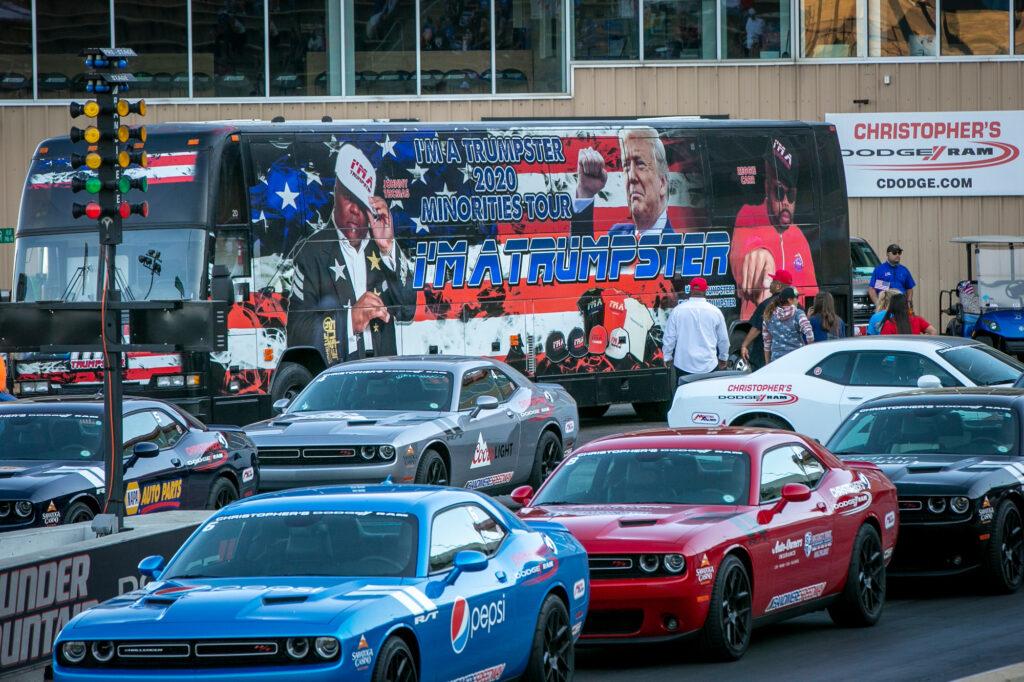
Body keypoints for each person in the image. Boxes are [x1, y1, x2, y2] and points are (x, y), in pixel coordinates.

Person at [288, 144, 417, 364]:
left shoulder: (381, 247)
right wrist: (349, 321)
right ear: (335, 191)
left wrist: (388, 248)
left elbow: (407, 310)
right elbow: (297, 333)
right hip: (340, 376)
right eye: (349, 197)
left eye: (361, 201)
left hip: (383, 372)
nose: (355, 210)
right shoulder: (311, 253)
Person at [730, 138, 818, 319]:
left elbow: (812, 294)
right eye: (779, 192)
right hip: (758, 325)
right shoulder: (749, 214)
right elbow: (743, 250)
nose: (786, 201)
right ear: (767, 188)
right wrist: (759, 253)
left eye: (791, 194)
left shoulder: (799, 236)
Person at [573, 126, 674, 238]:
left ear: (662, 183)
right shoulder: (616, 235)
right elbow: (581, 254)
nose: (631, 176)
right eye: (626, 166)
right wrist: (585, 193)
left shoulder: (680, 247)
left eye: (640, 163)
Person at [662, 277, 729, 383]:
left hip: (683, 365)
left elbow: (669, 337)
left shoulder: (677, 311)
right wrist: (723, 358)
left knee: (685, 397)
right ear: (705, 290)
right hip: (709, 365)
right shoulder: (715, 311)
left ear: (691, 290)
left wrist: (667, 356)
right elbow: (724, 340)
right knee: (708, 397)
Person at [739, 268, 792, 370]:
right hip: (789, 356)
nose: (770, 285)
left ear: (778, 286)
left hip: (766, 357)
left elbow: (757, 328)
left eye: (772, 282)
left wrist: (744, 345)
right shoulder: (796, 306)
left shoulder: (766, 304)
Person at [763, 287, 814, 363]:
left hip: (776, 361)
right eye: (796, 298)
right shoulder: (798, 313)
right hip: (797, 359)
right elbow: (809, 333)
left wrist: (767, 363)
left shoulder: (768, 315)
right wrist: (809, 352)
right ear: (790, 300)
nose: (798, 300)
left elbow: (767, 343)